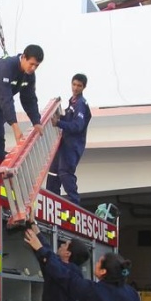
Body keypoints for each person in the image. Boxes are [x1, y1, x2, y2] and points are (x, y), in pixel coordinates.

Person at [46, 73, 91, 205]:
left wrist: (58, 123)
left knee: (65, 172)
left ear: (84, 87)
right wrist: (60, 117)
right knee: (53, 172)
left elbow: (78, 126)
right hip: (64, 143)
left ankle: (74, 203)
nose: (76, 88)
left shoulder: (81, 104)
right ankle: (51, 201)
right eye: (74, 84)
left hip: (73, 146)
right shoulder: (73, 101)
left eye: (79, 86)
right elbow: (70, 118)